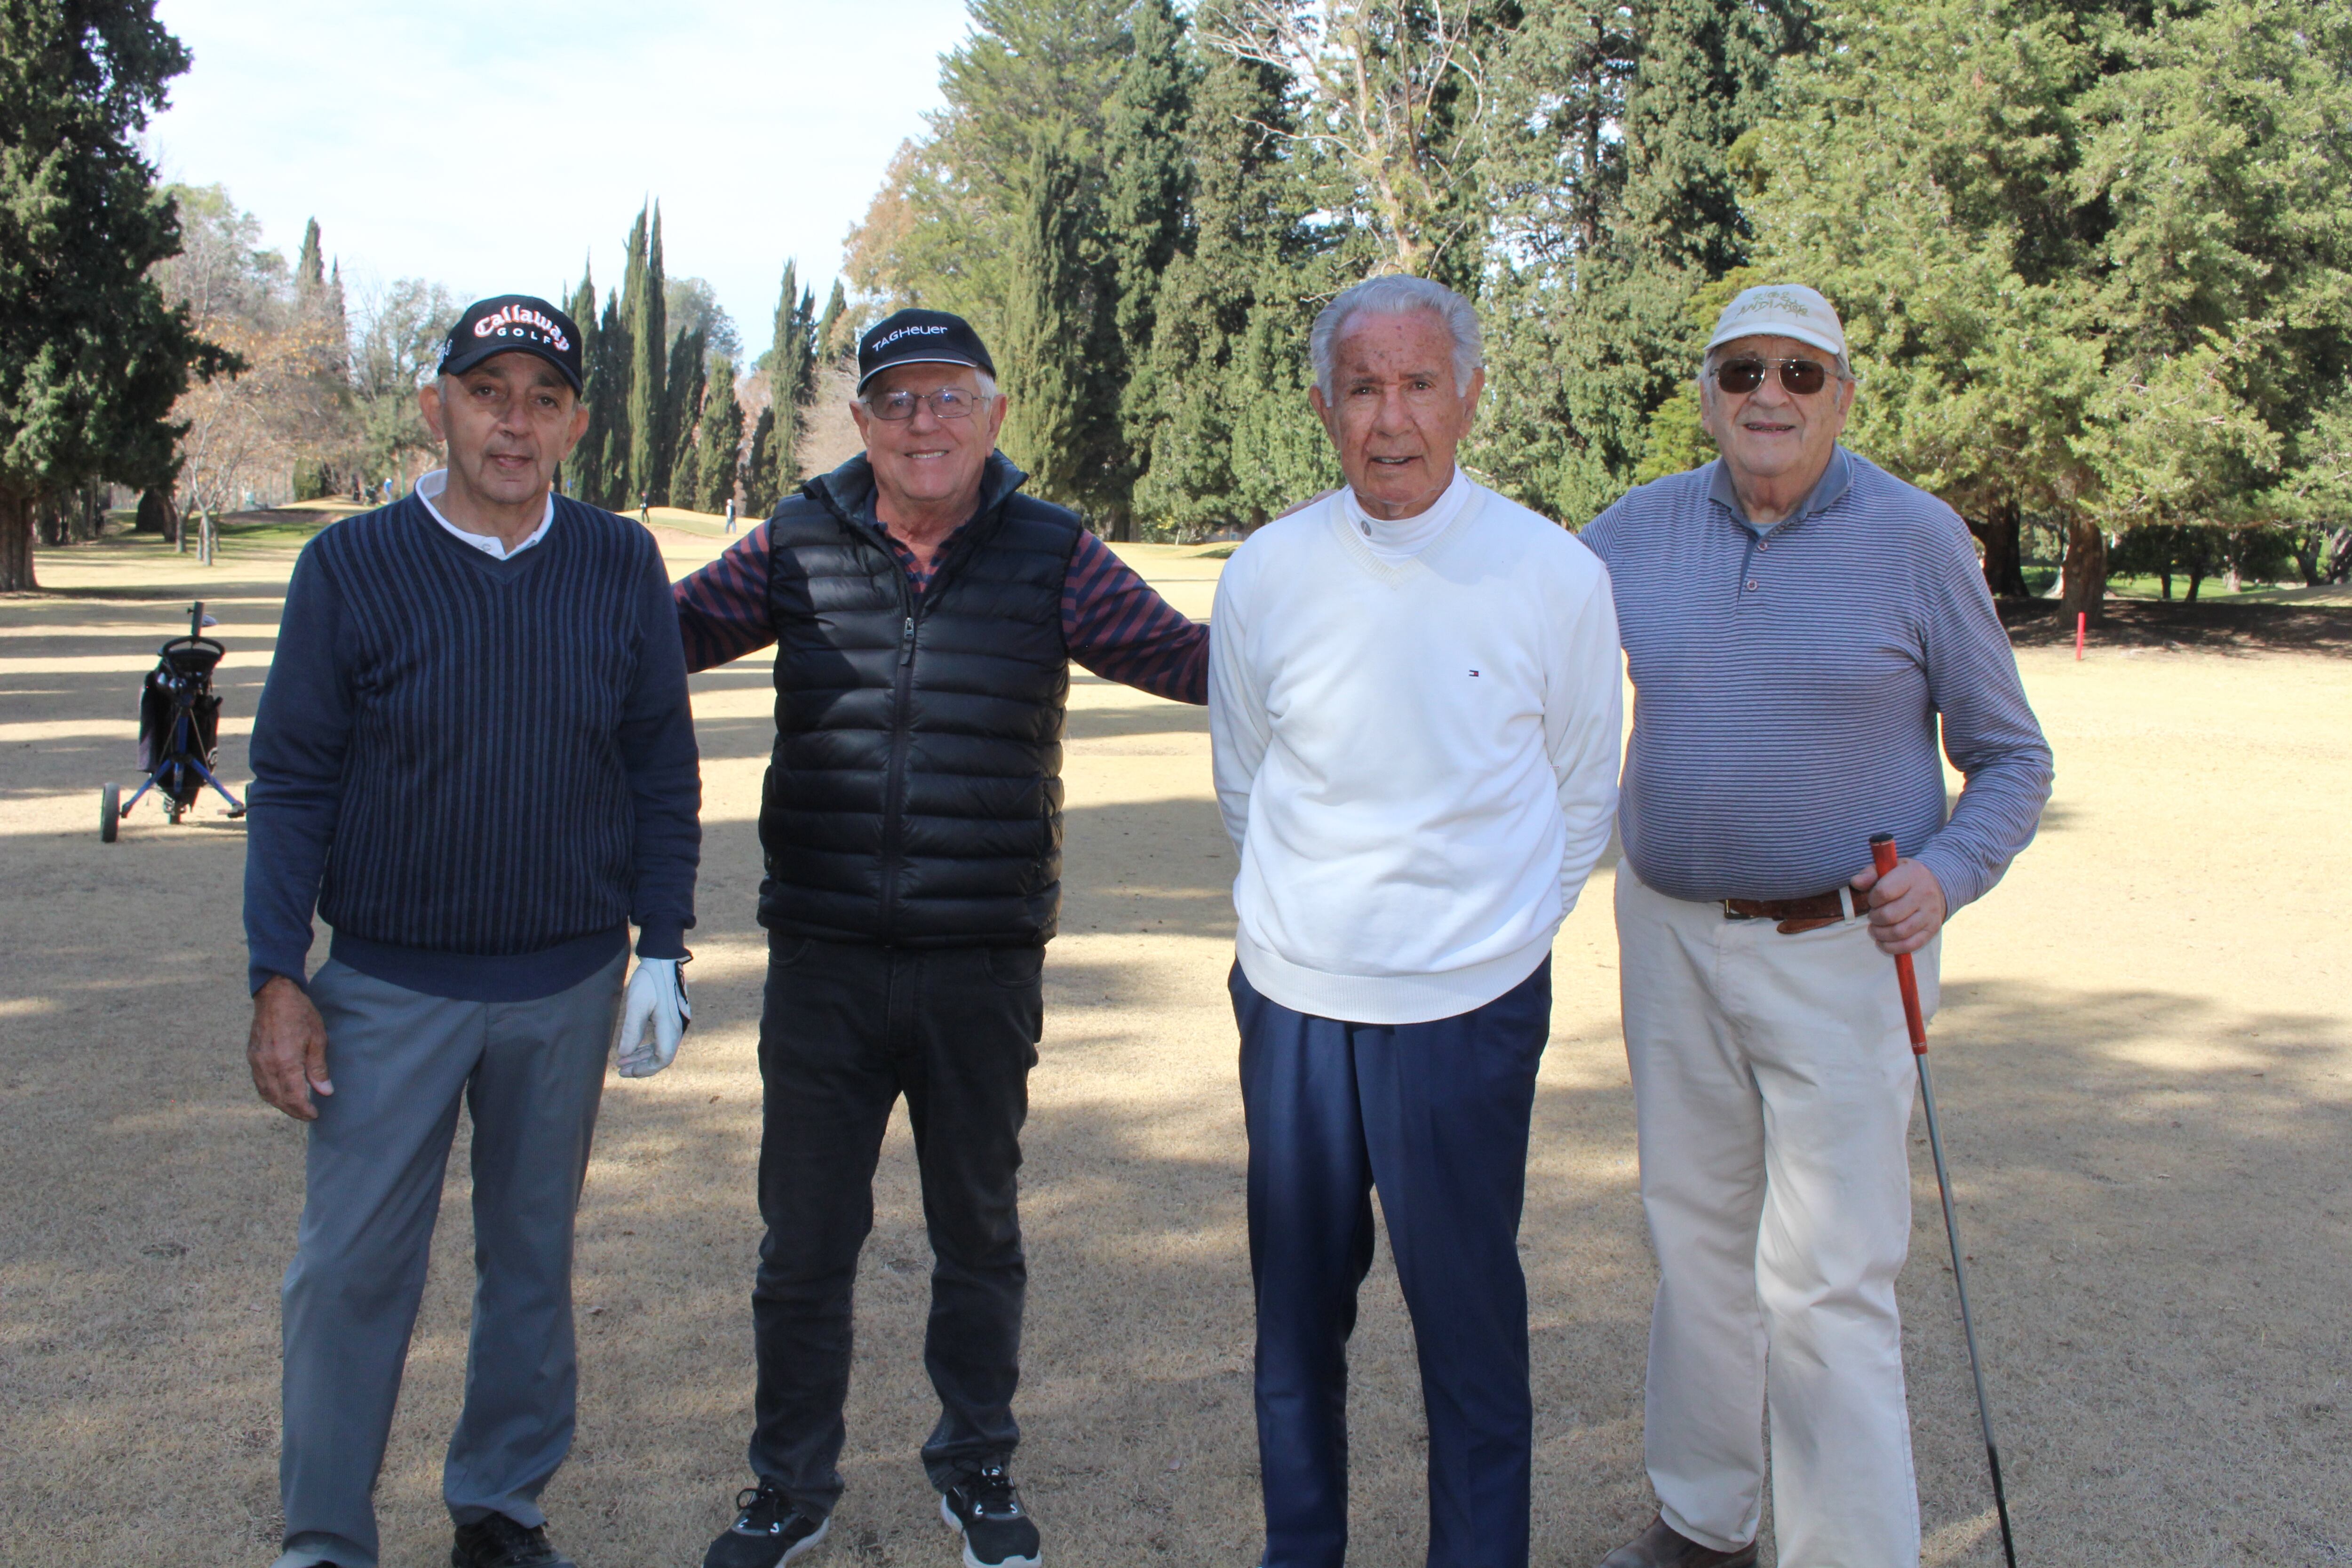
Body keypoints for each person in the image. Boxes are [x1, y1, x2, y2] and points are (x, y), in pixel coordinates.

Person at [672, 308, 1209, 1568]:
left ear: (994, 415)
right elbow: (658, 638)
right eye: (898, 401)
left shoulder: (1053, 553)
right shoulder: (800, 540)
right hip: (824, 956)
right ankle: (786, 1488)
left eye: (949, 398)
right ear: (861, 422)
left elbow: (1190, 661)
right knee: (804, 1242)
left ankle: (976, 1467)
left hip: (982, 956)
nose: (925, 423)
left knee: (979, 1229)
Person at [1577, 285, 2053, 1568]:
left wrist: (1949, 875)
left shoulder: (1916, 537)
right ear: (1707, 394)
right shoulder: (1633, 530)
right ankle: (1705, 1518)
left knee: (1829, 1278)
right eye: (1742, 373)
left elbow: (2012, 759)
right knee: (1694, 1240)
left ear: (1845, 393)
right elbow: (1520, 655)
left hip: (1849, 949)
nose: (1768, 397)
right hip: (1670, 938)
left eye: (1800, 372)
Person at [243, 294, 702, 1568]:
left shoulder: (617, 563)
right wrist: (278, 972)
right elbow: (291, 778)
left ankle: (500, 1507)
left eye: (543, 398)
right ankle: (326, 1535)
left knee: (529, 1265)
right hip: (387, 985)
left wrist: (660, 942)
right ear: (435, 405)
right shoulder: (351, 565)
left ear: (576, 425)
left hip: (562, 984)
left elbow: (659, 762)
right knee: (347, 1273)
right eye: (488, 391)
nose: (514, 420)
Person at [1209, 274, 1624, 1568]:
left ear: (1470, 397)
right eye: (1365, 388)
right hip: (1295, 1009)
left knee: (1471, 1341)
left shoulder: (1554, 574)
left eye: (1421, 384)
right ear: (1326, 405)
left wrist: (1483, 945)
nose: (1393, 420)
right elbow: (1246, 778)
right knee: (1294, 1338)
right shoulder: (1268, 573)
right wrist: (1321, 931)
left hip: (1468, 1018)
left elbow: (1580, 792)